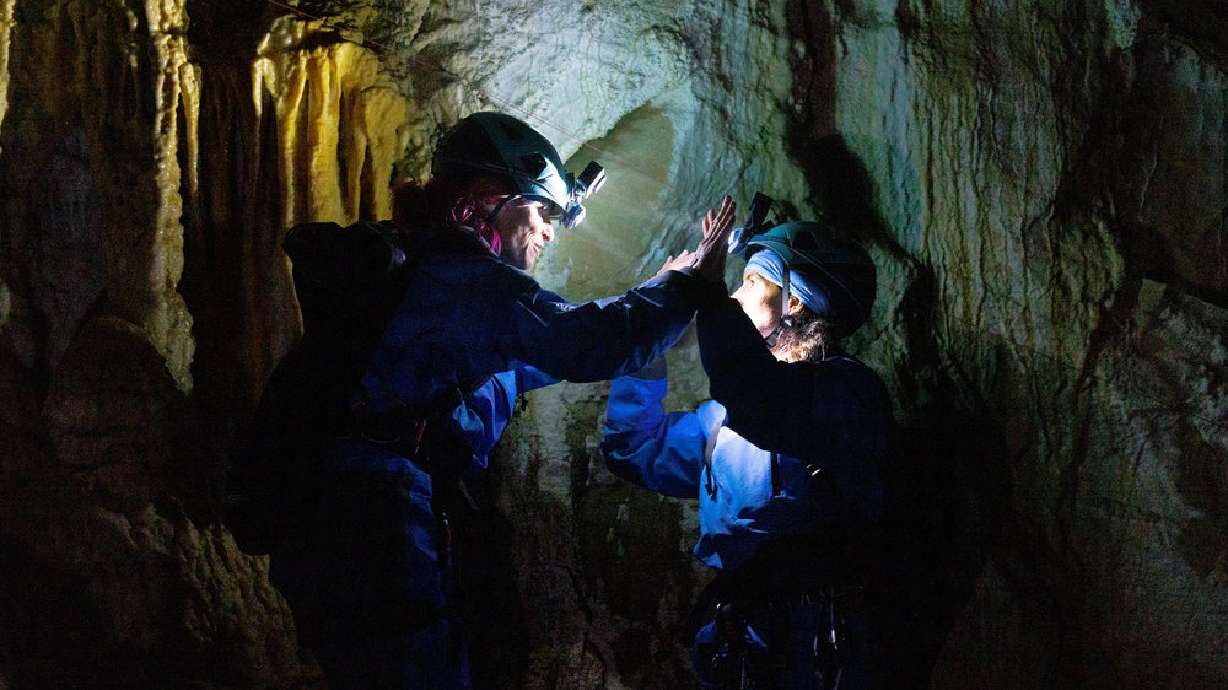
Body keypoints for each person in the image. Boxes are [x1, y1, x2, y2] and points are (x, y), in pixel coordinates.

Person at [235, 111, 737, 689]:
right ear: (476, 204)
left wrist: (657, 296)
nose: (548, 231)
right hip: (369, 518)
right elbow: (583, 344)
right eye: (539, 210)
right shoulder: (463, 279)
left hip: (353, 514)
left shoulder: (436, 280)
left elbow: (535, 360)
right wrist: (687, 284)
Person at [600, 219, 892, 689]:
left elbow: (765, 400)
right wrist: (648, 331)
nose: (738, 292)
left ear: (795, 301)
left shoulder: (848, 393)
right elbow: (632, 447)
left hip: (820, 648)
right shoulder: (722, 420)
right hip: (740, 643)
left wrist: (712, 295)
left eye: (753, 281)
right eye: (739, 281)